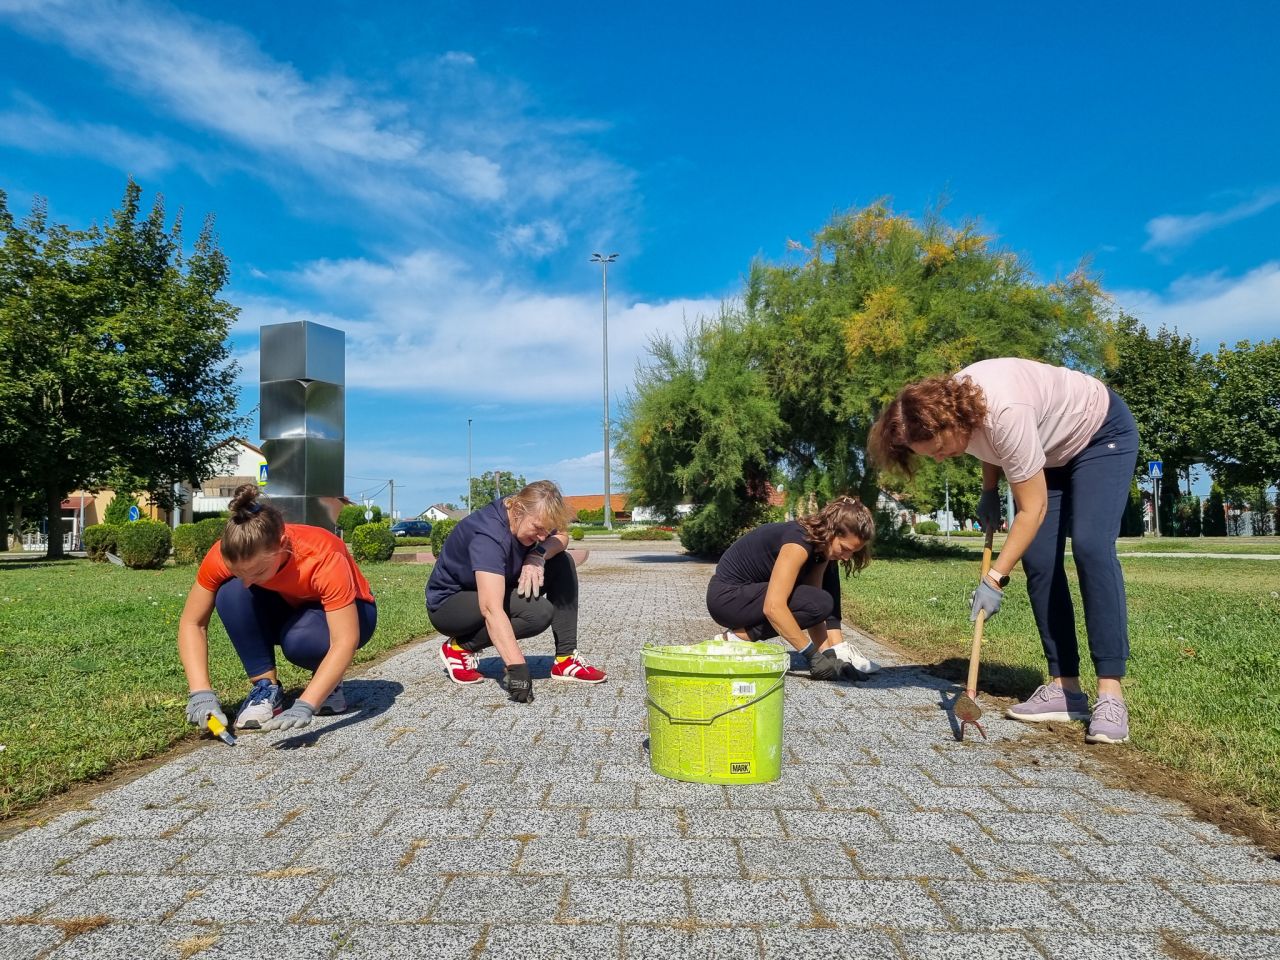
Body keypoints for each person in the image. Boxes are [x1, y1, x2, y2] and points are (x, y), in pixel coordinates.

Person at [868, 357, 1139, 744]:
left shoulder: (1005, 410)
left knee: (1090, 546)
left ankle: (1111, 695)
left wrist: (994, 578)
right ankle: (1065, 689)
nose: (940, 458)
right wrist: (989, 490)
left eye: (939, 449)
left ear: (950, 422)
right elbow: (988, 444)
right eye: (931, 456)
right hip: (1048, 450)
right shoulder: (955, 406)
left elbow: (1033, 509)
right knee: (1039, 557)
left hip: (1099, 433)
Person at [178, 485, 378, 732]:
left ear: (282, 544)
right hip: (291, 606)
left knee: (301, 641)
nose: (248, 582)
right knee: (231, 592)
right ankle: (265, 689)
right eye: (238, 572)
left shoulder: (323, 554)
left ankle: (328, 683)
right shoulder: (225, 553)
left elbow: (345, 640)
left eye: (258, 571)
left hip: (356, 614)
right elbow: (193, 623)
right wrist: (200, 693)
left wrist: (306, 704)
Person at [426, 480, 606, 702]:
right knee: (538, 613)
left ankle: (566, 660)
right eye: (538, 529)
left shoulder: (529, 508)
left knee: (562, 561)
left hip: (499, 585)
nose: (542, 536)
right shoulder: (489, 536)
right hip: (451, 605)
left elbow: (562, 537)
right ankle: (459, 648)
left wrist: (537, 554)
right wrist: (517, 669)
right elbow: (491, 608)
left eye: (546, 530)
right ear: (518, 510)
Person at [705, 496, 878, 682]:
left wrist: (829, 656)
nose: (847, 557)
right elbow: (773, 607)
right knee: (819, 602)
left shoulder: (820, 549)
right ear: (831, 531)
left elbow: (814, 609)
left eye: (853, 552)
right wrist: (812, 656)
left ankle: (738, 637)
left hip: (746, 596)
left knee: (820, 602)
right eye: (844, 548)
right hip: (726, 598)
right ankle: (735, 639)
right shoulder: (798, 542)